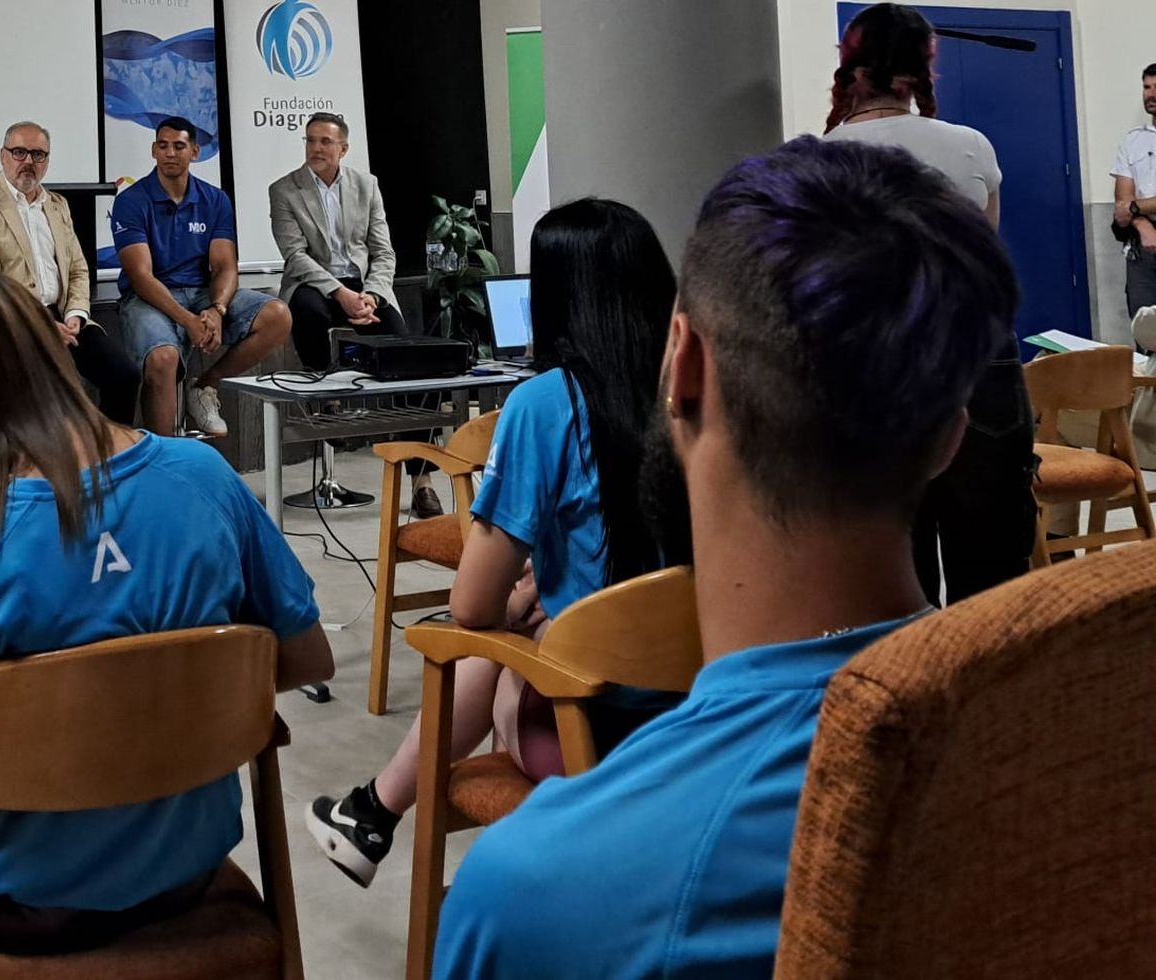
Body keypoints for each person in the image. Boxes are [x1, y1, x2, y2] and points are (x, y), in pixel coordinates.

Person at [432, 136, 1018, 978]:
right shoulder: (1067, 764)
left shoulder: (532, 894)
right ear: (951, 435)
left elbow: (471, 609)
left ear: (685, 367)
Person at [0, 267, 333, 954]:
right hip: (186, 877)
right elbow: (307, 657)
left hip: (16, 907)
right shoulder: (206, 478)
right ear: (52, 352)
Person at [303, 198, 685, 888]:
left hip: (594, 733)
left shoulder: (544, 405)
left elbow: (473, 606)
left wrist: (515, 606)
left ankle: (378, 814)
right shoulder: (701, 390)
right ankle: (370, 813)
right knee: (530, 624)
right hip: (707, 723)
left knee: (481, 644)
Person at [820, 2, 1034, 605]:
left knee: (894, 573)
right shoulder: (971, 146)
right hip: (977, 364)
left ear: (851, 68)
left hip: (875, 373)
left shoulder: (820, 156)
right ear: (922, 69)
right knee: (991, 568)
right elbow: (985, 257)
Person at [269, 112, 442, 517]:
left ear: (343, 148)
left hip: (364, 287)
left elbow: (383, 252)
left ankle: (422, 480)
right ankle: (327, 400)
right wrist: (340, 294)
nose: (316, 148)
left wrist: (372, 296)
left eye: (325, 142)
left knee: (411, 359)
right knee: (308, 310)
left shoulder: (367, 186)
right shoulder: (285, 190)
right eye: (310, 140)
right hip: (314, 284)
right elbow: (295, 257)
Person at [112, 116, 292, 436]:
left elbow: (225, 266)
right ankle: (167, 455)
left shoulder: (215, 199)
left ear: (194, 152)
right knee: (163, 358)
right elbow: (140, 275)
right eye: (163, 146)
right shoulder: (131, 200)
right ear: (153, 150)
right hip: (148, 298)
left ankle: (205, 386)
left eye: (179, 146)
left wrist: (217, 309)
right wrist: (188, 321)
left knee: (277, 315)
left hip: (200, 293)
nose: (170, 153)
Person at [0, 120, 141, 425]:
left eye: (38, 154)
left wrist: (76, 313)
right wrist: (42, 325)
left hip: (65, 318)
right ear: (3, 156)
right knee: (52, 395)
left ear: (47, 160)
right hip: (10, 321)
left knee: (124, 376)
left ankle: (110, 454)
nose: (28, 161)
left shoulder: (57, 205)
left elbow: (78, 269)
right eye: (19, 152)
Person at [1113, 63, 1156, 350]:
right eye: (1146, 87)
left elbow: (1131, 205)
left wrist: (1136, 209)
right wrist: (1142, 224)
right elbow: (1122, 204)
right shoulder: (1132, 141)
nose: (1150, 94)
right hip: (1143, 248)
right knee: (1145, 333)